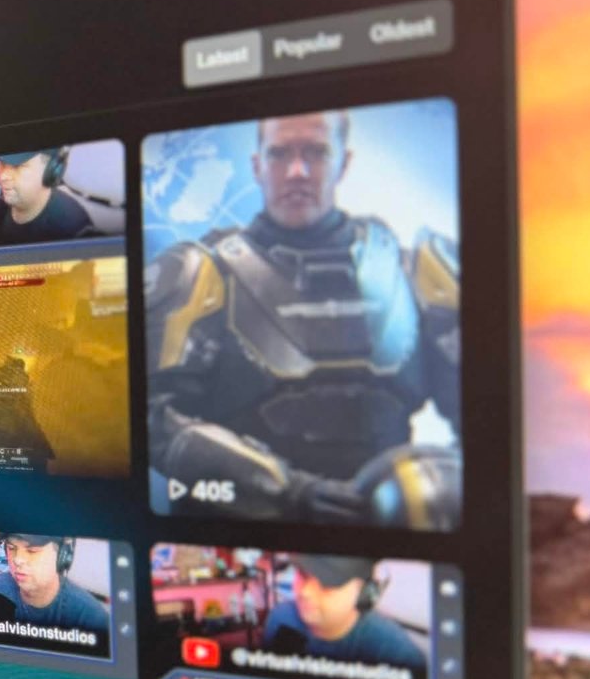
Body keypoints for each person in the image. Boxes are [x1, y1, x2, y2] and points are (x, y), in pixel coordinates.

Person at [145, 109, 461, 526]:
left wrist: (431, 486)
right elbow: (152, 421)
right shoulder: (197, 274)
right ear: (257, 166)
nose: (297, 171)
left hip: (388, 534)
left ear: (343, 163)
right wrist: (288, 493)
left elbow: (487, 417)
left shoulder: (417, 272)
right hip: (244, 534)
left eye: (315, 152)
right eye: (279, 154)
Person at [261, 555, 427, 679]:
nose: (305, 592)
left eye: (327, 585)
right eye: (303, 575)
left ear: (364, 594)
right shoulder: (280, 618)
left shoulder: (398, 657)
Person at [0, 534, 110, 638]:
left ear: (62, 556)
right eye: (11, 548)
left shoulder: (89, 616)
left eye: (32, 551)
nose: (17, 560)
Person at [0, 150, 93, 246]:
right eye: (2, 165)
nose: (3, 176)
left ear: (51, 171)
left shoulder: (72, 227)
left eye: (18, 166)